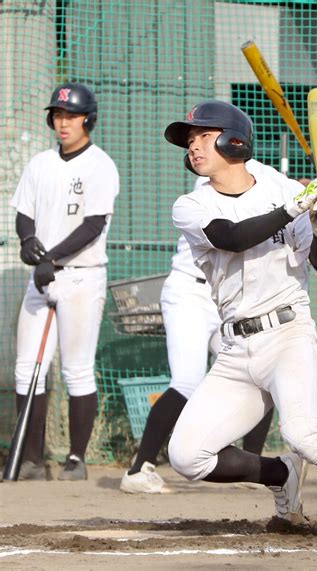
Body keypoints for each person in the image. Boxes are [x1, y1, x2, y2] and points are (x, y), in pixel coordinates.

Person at [163, 100, 317, 545]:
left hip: (288, 334)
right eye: (190, 139)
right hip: (236, 348)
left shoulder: (281, 188)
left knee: (304, 432)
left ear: (232, 141)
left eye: (203, 135)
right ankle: (279, 473)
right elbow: (233, 237)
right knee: (186, 456)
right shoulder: (191, 204)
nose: (193, 145)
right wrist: (296, 206)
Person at [119, 157, 317, 494]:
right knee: (187, 379)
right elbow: (254, 222)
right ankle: (139, 468)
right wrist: (308, 192)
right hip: (191, 293)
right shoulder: (213, 184)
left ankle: (261, 467)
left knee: (262, 368)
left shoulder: (261, 176)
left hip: (236, 305)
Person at [10, 82, 119, 481]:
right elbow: (25, 211)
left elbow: (93, 225)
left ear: (88, 119)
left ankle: (76, 459)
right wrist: (28, 243)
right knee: (27, 369)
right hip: (43, 275)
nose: (63, 122)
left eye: (71, 115)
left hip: (81, 278)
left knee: (76, 370)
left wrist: (51, 257)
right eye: (57, 115)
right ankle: (33, 460)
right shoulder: (41, 163)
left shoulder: (100, 165)